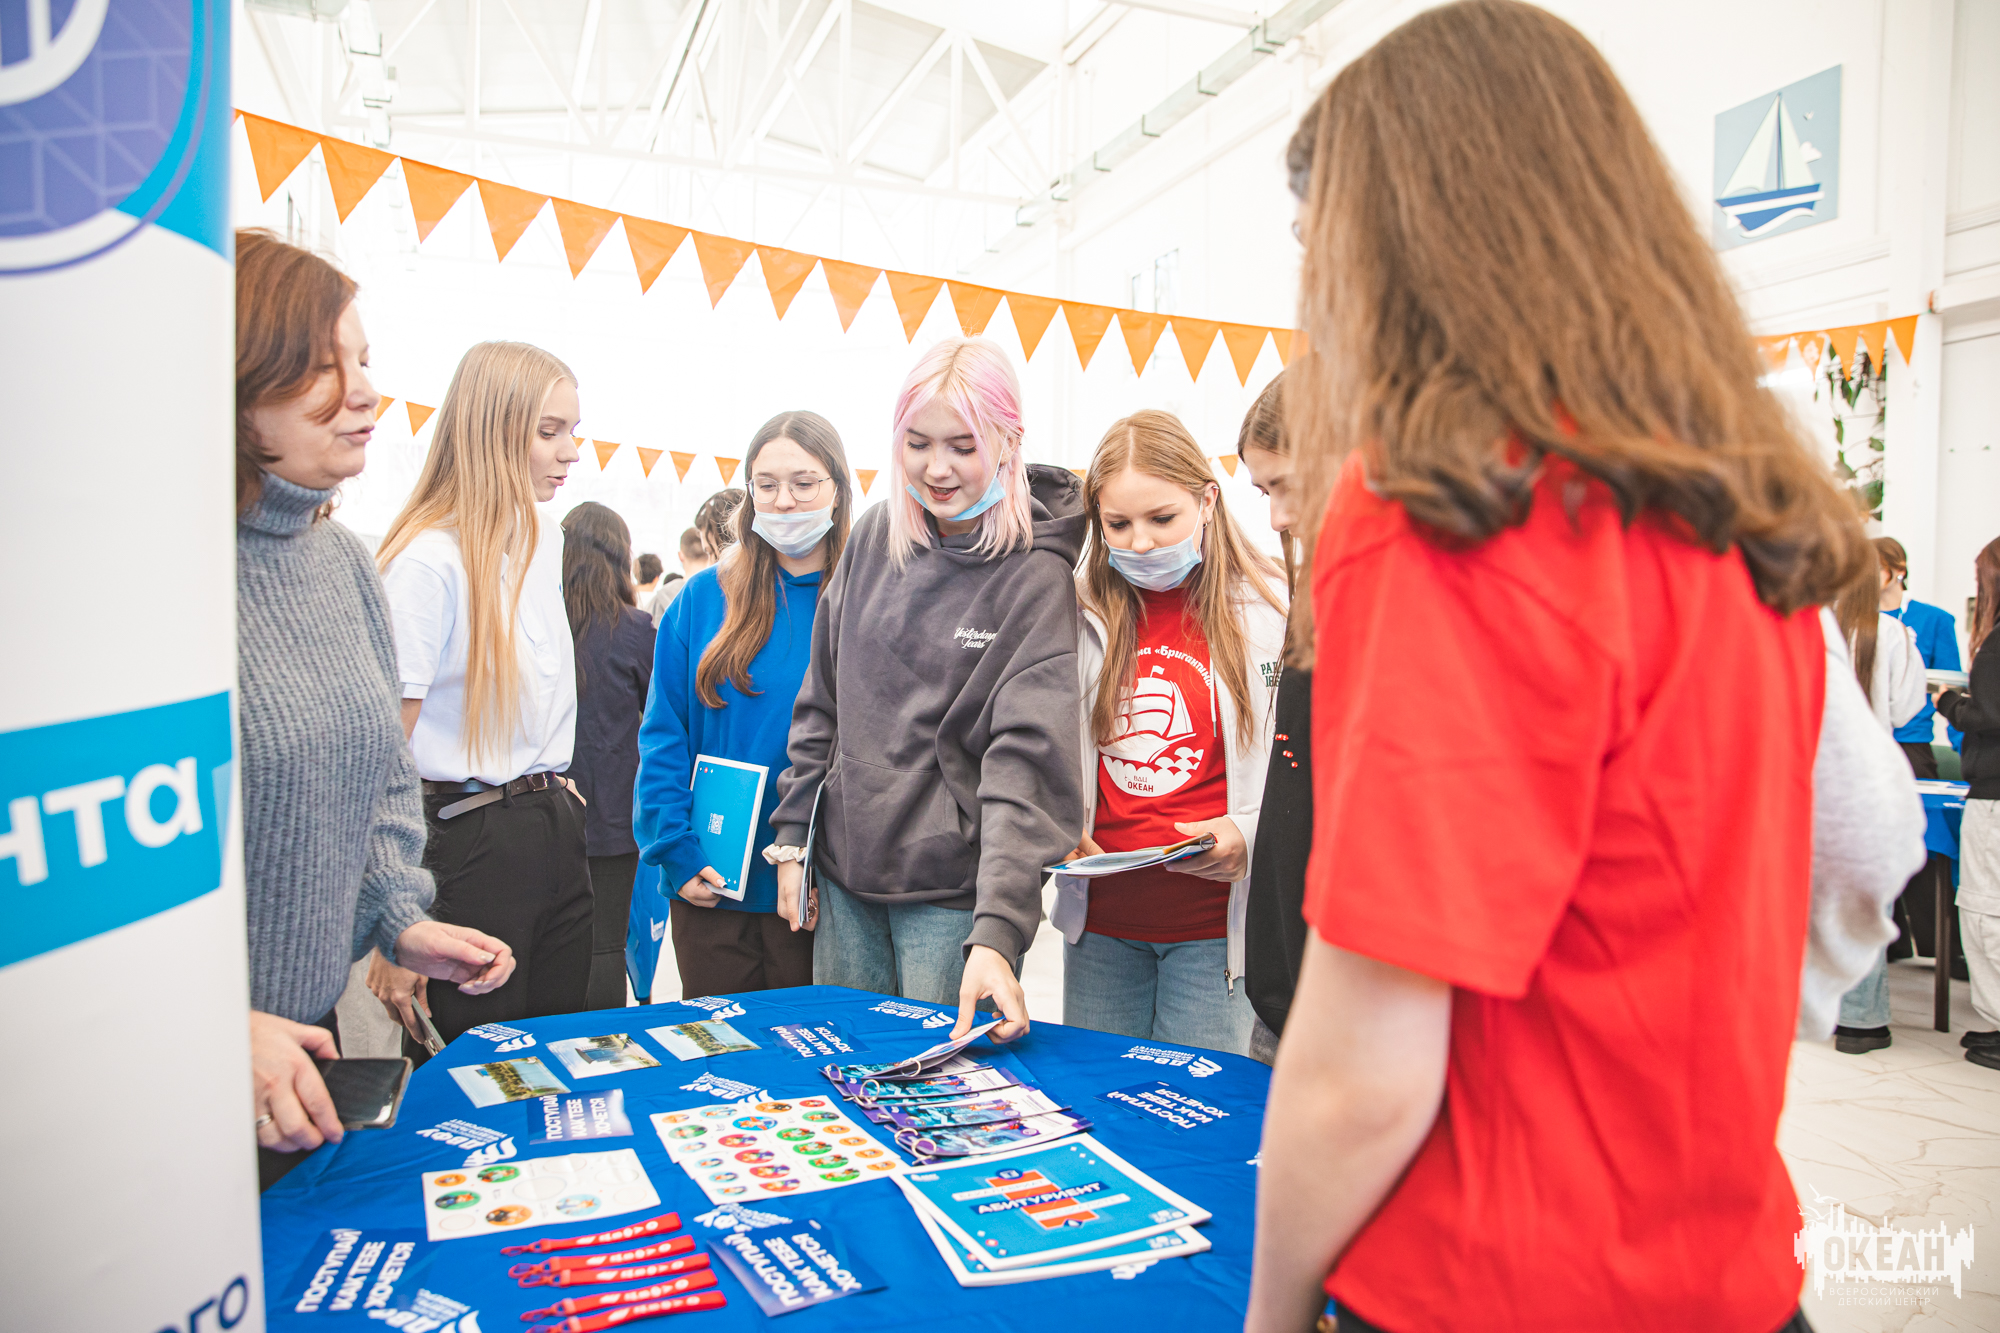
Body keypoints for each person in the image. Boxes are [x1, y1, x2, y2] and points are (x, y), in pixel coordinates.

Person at [1245, 6, 1875, 1333]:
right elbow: (1850, 860)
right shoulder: (1730, 510)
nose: (1309, 301)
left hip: (1493, 1272)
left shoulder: (1447, 510)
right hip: (1719, 1259)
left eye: (1313, 250)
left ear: (1401, 242)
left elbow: (1365, 1066)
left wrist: (1272, 1312)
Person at [234, 230, 514, 1187]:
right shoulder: (143, 574)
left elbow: (382, 777)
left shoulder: (343, 561)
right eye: (324, 367)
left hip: (306, 1050)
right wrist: (205, 1026)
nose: (365, 394)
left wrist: (399, 915)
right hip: (164, 1067)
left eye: (364, 362)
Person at [769, 338, 1086, 1041]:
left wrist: (998, 930)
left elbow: (1027, 767)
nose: (937, 469)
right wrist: (795, 840)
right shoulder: (875, 536)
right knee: (841, 1070)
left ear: (1008, 443)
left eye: (962, 447)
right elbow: (822, 702)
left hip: (949, 901)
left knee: (940, 1088)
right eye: (917, 444)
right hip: (845, 881)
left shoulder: (1034, 577)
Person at [368, 341, 593, 1055]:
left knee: (562, 1054)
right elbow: (384, 754)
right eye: (548, 431)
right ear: (493, 430)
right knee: (480, 1066)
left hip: (549, 823)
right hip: (464, 837)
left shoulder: (544, 536)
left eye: (573, 431)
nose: (570, 452)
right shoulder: (428, 562)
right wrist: (395, 919)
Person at [1052, 410, 1286, 1056]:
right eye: (1118, 525)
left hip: (1214, 931)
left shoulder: (1272, 606)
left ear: (1207, 500)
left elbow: (1304, 767)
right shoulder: (1076, 607)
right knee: (1097, 1098)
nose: (1142, 544)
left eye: (1162, 519)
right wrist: (1057, 823)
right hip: (1102, 926)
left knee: (1196, 1104)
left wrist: (1248, 834)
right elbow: (1044, 744)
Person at [635, 412, 852, 997]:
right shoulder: (704, 599)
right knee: (719, 1043)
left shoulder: (860, 601)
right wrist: (674, 849)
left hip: (820, 886)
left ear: (838, 488)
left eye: (804, 483)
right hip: (712, 875)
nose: (784, 500)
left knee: (810, 1042)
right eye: (766, 484)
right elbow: (663, 733)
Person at [1233, 372, 1312, 1066]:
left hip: (1331, 1002)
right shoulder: (1318, 589)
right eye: (1264, 493)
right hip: (1281, 986)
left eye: (1288, 485)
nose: (1278, 518)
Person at [1829, 548, 1927, 1053]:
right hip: (1870, 778)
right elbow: (1907, 709)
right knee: (1868, 900)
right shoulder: (1893, 634)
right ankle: (1861, 1021)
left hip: (1815, 776)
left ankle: (1816, 1008)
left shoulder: (1810, 628)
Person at [561, 502, 656, 1010]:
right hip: (614, 813)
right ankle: (602, 1047)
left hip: (541, 810)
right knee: (605, 946)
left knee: (550, 946)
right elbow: (663, 715)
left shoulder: (537, 622)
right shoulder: (635, 629)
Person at [1935, 537, 2000, 1071]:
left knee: (1985, 909)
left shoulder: (1998, 642)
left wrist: (1949, 703)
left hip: (1995, 795)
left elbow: (1989, 716)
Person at [1879, 535, 1963, 775]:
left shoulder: (1935, 619)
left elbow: (1950, 687)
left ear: (1899, 570)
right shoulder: (1852, 620)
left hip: (1911, 740)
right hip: (1865, 736)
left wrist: (1964, 748)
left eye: (1876, 567)